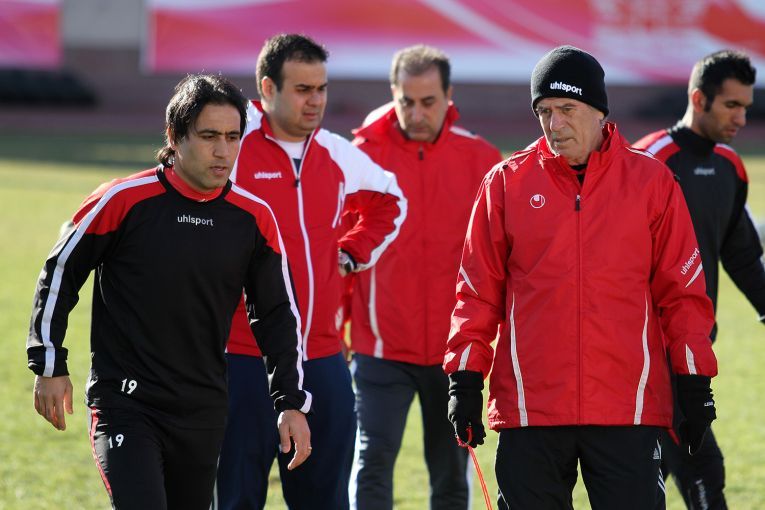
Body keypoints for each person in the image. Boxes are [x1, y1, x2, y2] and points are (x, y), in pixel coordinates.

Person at [443, 45, 719, 509]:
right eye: (544, 112)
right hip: (530, 410)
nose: (554, 124)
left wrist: (694, 384)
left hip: (627, 409)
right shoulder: (505, 184)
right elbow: (476, 294)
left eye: (567, 109)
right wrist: (465, 380)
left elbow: (683, 296)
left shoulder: (651, 183)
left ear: (598, 111)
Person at [26, 74, 312, 510]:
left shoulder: (254, 217)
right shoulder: (123, 199)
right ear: (175, 137)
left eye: (233, 137)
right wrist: (49, 363)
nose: (223, 151)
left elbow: (276, 314)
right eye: (209, 136)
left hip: (203, 411)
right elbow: (61, 272)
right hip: (125, 403)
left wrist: (290, 403)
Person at [214, 34, 406, 510]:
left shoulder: (336, 153)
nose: (315, 100)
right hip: (244, 357)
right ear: (268, 88)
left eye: (321, 88)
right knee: (236, 498)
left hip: (322, 357)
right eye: (302, 89)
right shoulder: (232, 148)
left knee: (325, 500)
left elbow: (392, 201)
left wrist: (351, 253)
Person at [345, 44, 501, 510]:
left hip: (453, 351)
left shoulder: (482, 159)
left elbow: (500, 258)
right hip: (379, 347)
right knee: (371, 462)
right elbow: (341, 249)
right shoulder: (361, 157)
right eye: (406, 101)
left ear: (449, 96)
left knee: (451, 473)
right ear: (393, 94)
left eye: (428, 102)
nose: (416, 114)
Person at [633, 49, 765, 510]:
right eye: (731, 105)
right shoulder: (646, 163)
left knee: (647, 476)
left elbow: (741, 254)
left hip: (694, 349)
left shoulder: (730, 166)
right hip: (645, 353)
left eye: (746, 106)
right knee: (703, 466)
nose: (741, 118)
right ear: (698, 99)